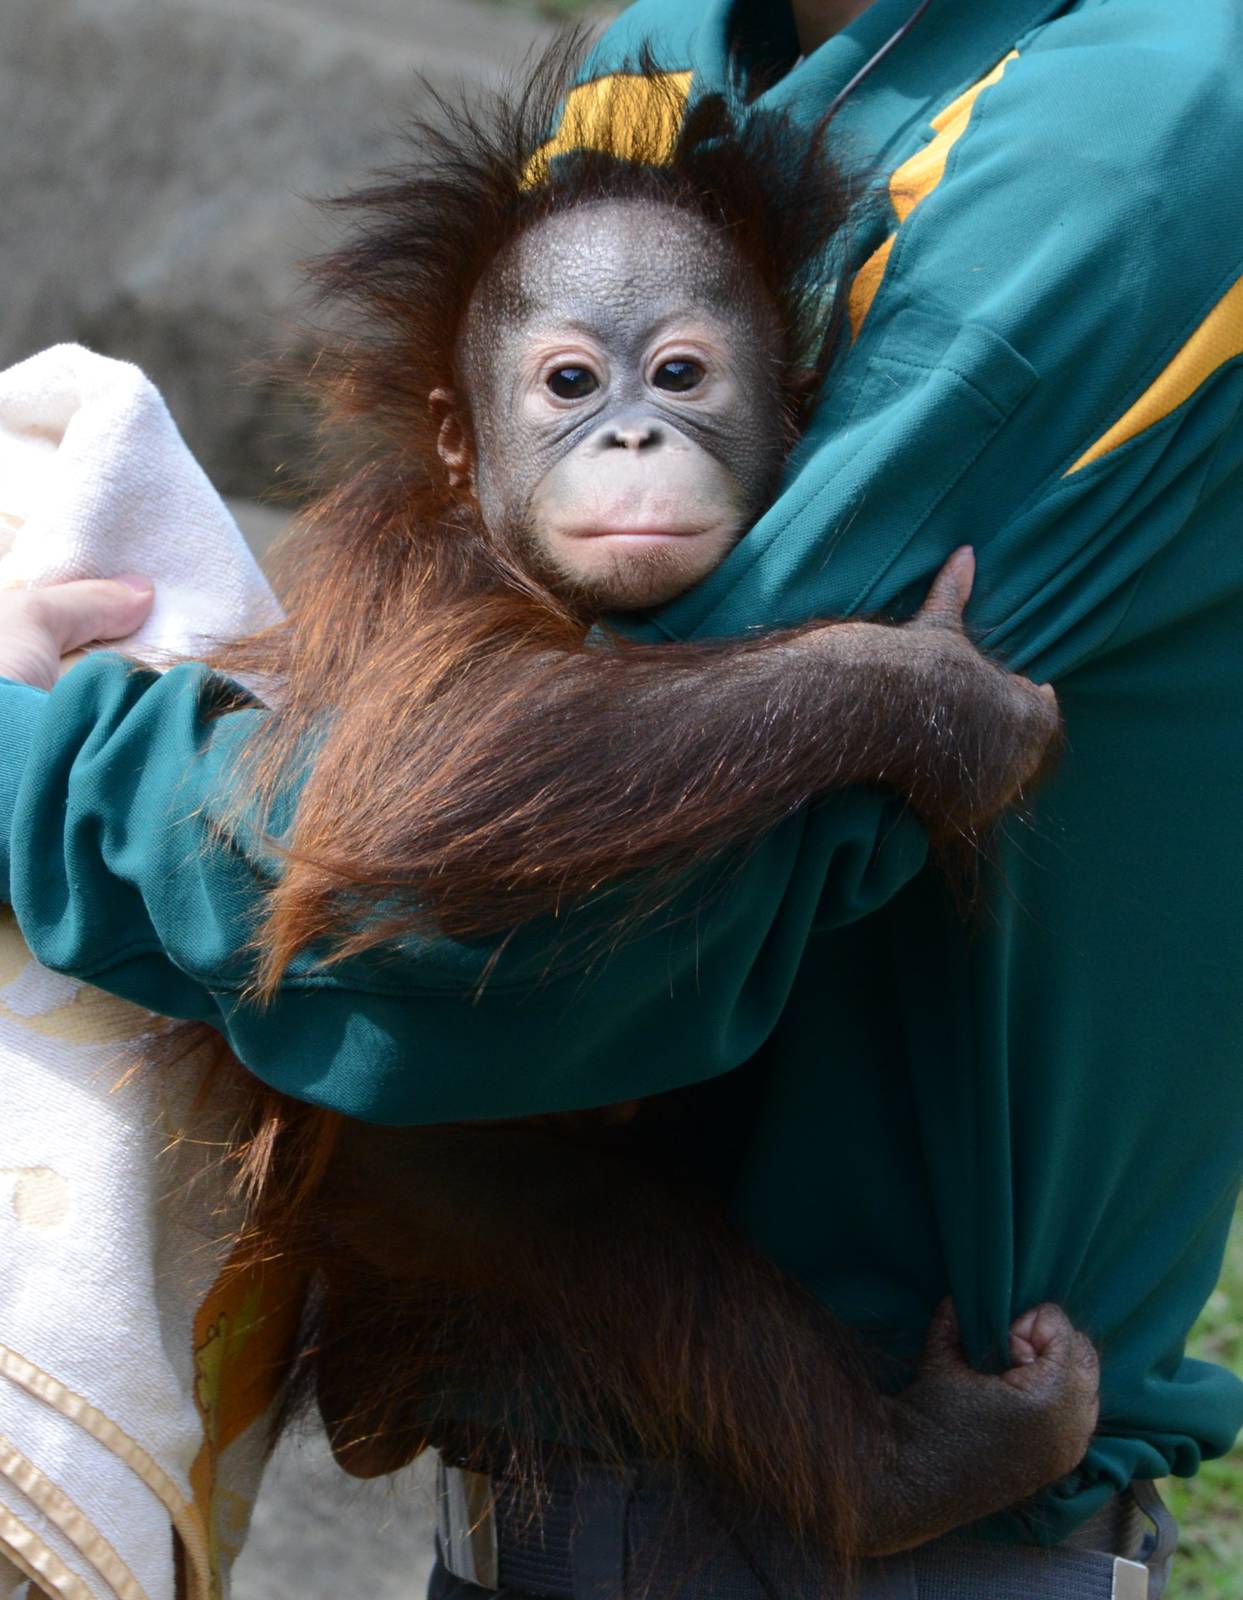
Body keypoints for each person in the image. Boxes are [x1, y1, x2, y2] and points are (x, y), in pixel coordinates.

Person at [1, 0, 1242, 1593]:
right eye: (577, 386)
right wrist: (864, 682)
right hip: (520, 1389)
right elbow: (419, 889)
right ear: (462, 446)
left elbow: (480, 906)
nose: (635, 434)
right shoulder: (661, 69)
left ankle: (868, 1462)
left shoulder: (1128, 131)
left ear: (796, 410)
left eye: (678, 379)